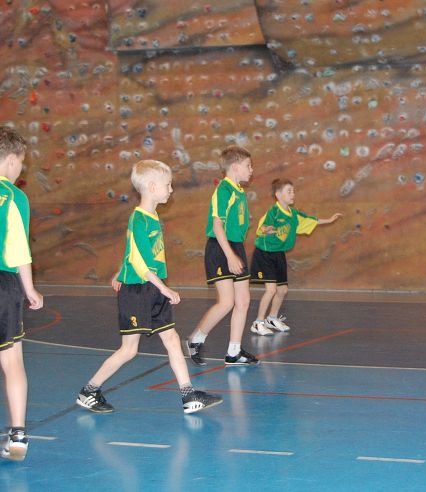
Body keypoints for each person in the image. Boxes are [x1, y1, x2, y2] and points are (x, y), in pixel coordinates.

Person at [76, 160, 222, 414]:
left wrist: (121, 271)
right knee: (129, 350)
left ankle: (188, 395)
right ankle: (89, 390)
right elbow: (139, 261)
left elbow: (132, 251)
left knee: (172, 339)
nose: (171, 189)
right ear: (153, 187)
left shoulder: (152, 217)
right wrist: (163, 288)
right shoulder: (139, 219)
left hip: (151, 288)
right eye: (168, 185)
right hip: (138, 291)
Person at [183, 146, 259, 366]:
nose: (251, 170)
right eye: (248, 165)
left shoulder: (238, 191)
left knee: (243, 300)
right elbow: (217, 226)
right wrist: (230, 256)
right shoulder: (224, 190)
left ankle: (234, 352)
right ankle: (195, 339)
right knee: (226, 302)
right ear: (234, 167)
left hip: (235, 247)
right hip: (220, 248)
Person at [249, 179, 342, 335]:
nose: (293, 194)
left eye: (293, 191)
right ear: (278, 195)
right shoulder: (273, 212)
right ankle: (258, 323)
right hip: (265, 253)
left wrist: (329, 219)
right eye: (289, 191)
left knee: (282, 290)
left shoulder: (293, 214)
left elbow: (310, 220)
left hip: (279, 253)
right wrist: (266, 230)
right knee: (271, 290)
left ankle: (272, 318)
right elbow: (262, 226)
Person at [0, 127, 43, 461]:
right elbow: (19, 251)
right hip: (4, 283)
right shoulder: (14, 197)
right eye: (22, 164)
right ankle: (17, 435)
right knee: (12, 359)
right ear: (12, 160)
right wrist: (29, 290)